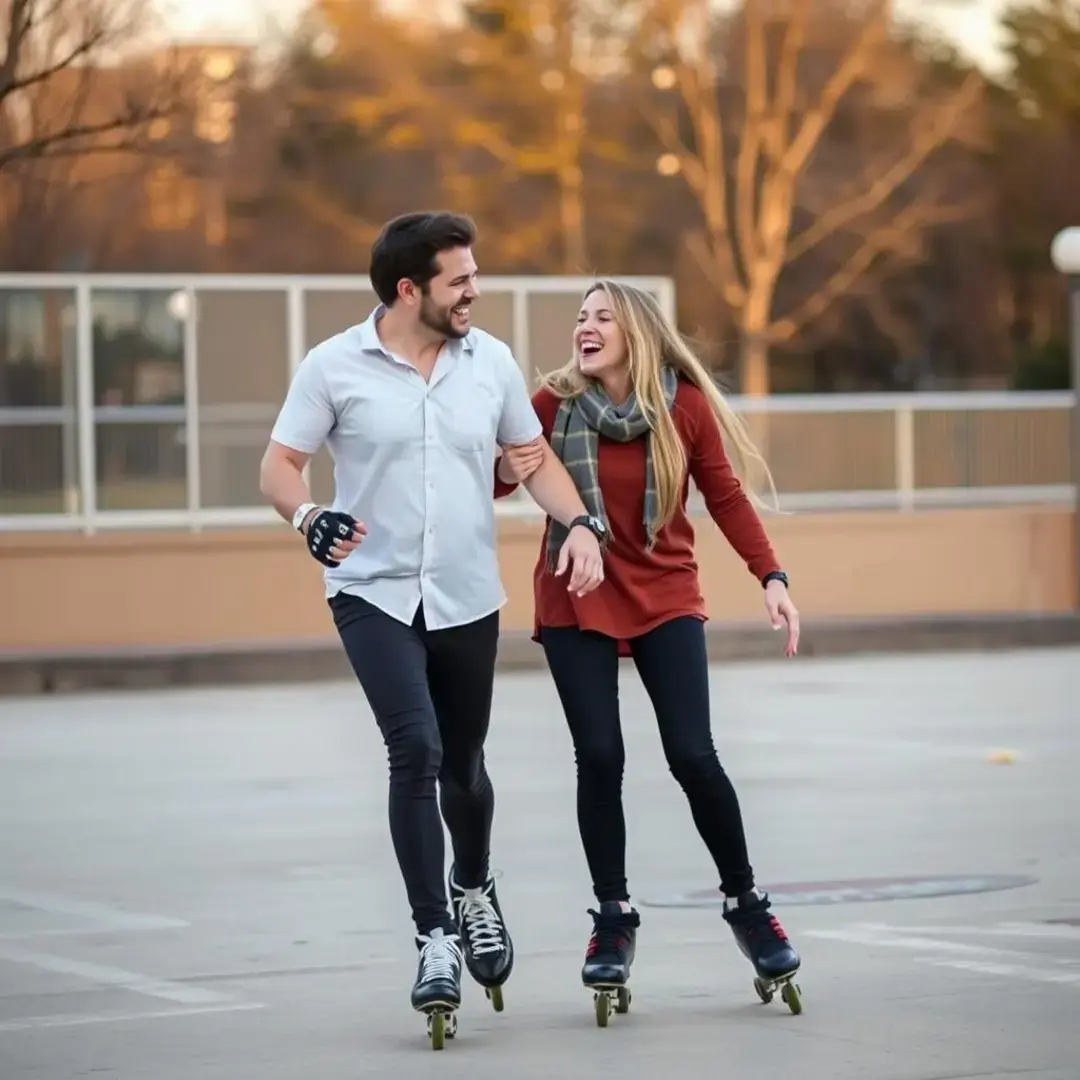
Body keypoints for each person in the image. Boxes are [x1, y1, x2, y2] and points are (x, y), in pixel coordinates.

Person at [258, 211, 608, 1034]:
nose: (474, 291)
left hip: (464, 595)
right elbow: (280, 463)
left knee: (464, 763)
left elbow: (532, 461)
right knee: (414, 748)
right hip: (370, 592)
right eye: (459, 279)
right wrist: (307, 515)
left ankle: (474, 885)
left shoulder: (489, 364)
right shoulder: (333, 366)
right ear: (409, 288)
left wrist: (581, 523)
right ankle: (434, 937)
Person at [493, 279, 805, 1016]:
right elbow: (504, 480)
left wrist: (772, 575)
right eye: (580, 317)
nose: (586, 327)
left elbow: (725, 495)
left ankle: (749, 904)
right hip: (575, 592)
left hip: (665, 592)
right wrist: (503, 464)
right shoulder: (551, 405)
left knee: (693, 754)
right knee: (600, 756)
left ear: (635, 331)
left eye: (602, 316)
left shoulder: (681, 407)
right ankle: (611, 919)